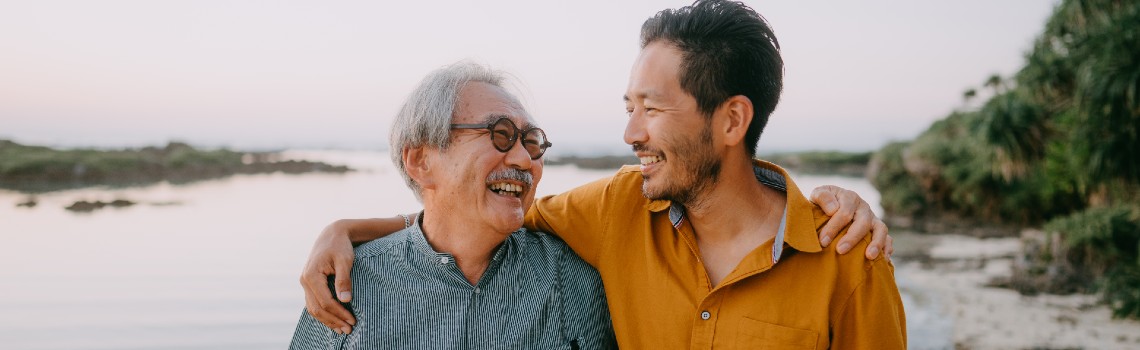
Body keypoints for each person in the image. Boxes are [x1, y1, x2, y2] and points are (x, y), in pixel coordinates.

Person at [303, 0, 905, 348]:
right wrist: (350, 229)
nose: (631, 134)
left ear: (732, 120)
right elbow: (479, 214)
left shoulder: (848, 256)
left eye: (652, 109)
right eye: (628, 109)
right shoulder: (619, 207)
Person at [289, 62, 616, 349]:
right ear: (421, 161)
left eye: (532, 142)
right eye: (499, 134)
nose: (524, 159)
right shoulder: (346, 286)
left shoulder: (570, 277)